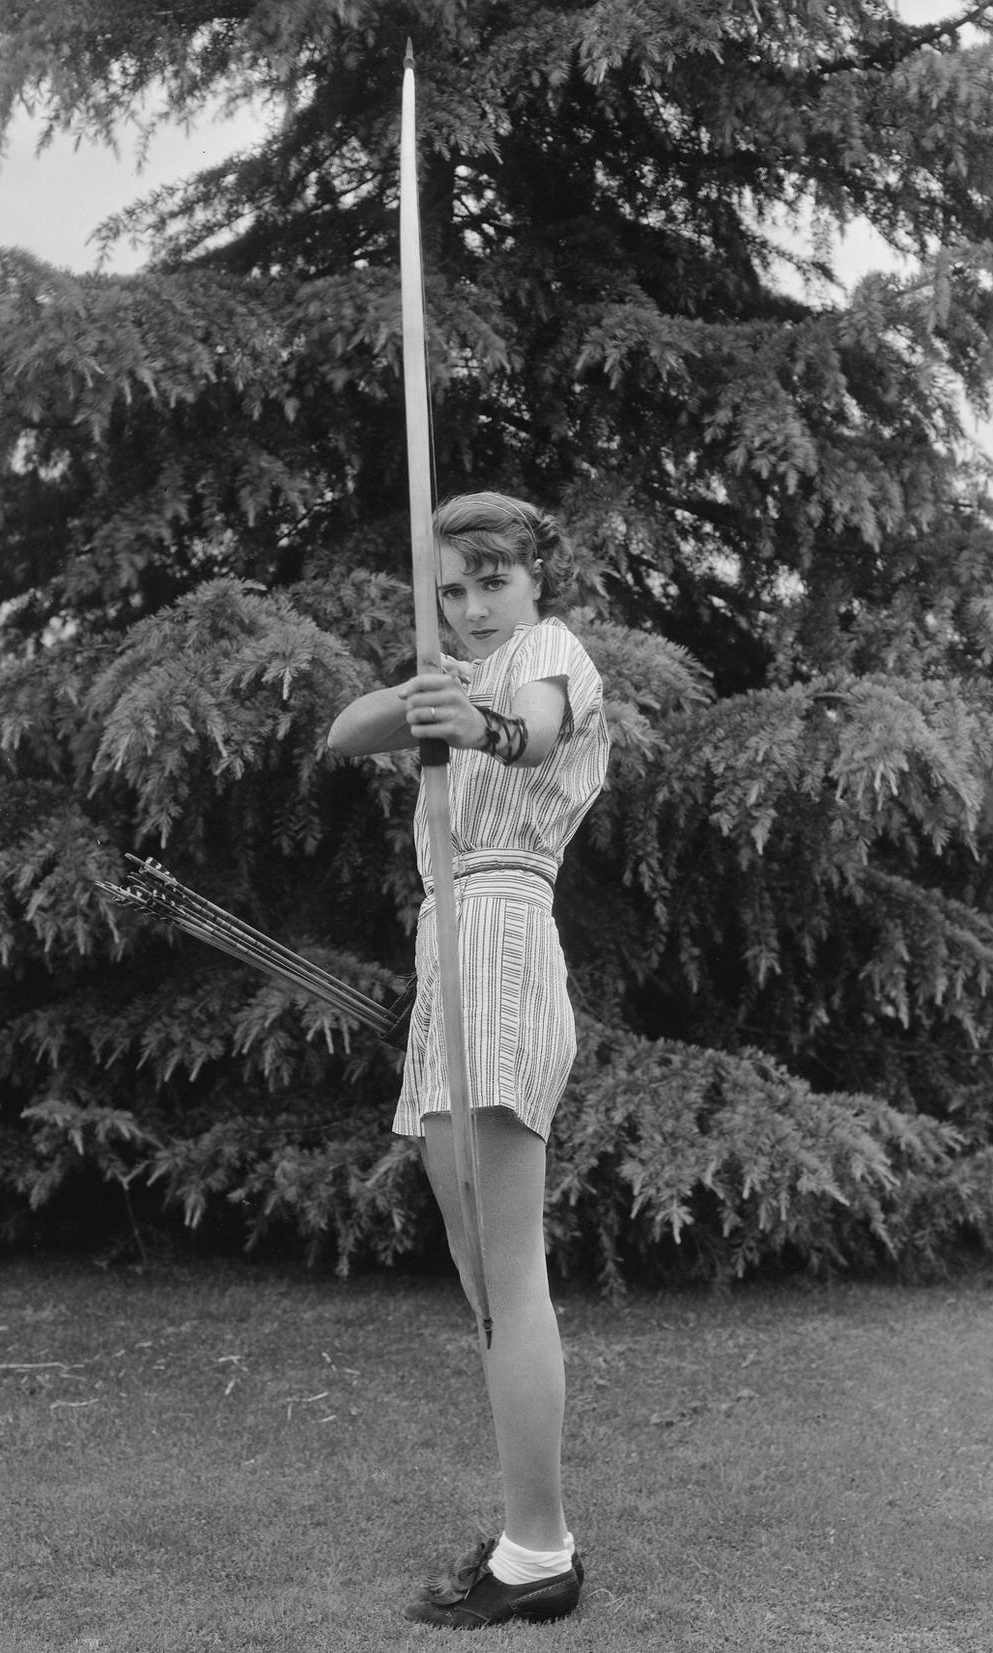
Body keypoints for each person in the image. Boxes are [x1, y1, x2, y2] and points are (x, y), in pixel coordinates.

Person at [327, 491, 610, 1629]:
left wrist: (477, 722)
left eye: (493, 580)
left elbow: (531, 728)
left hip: (498, 931)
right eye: (452, 589)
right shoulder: (455, 668)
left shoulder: (551, 654)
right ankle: (531, 1538)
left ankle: (537, 1550)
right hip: (451, 938)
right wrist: (426, 693)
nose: (474, 605)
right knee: (484, 1279)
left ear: (534, 579)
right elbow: (344, 733)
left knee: (507, 1275)